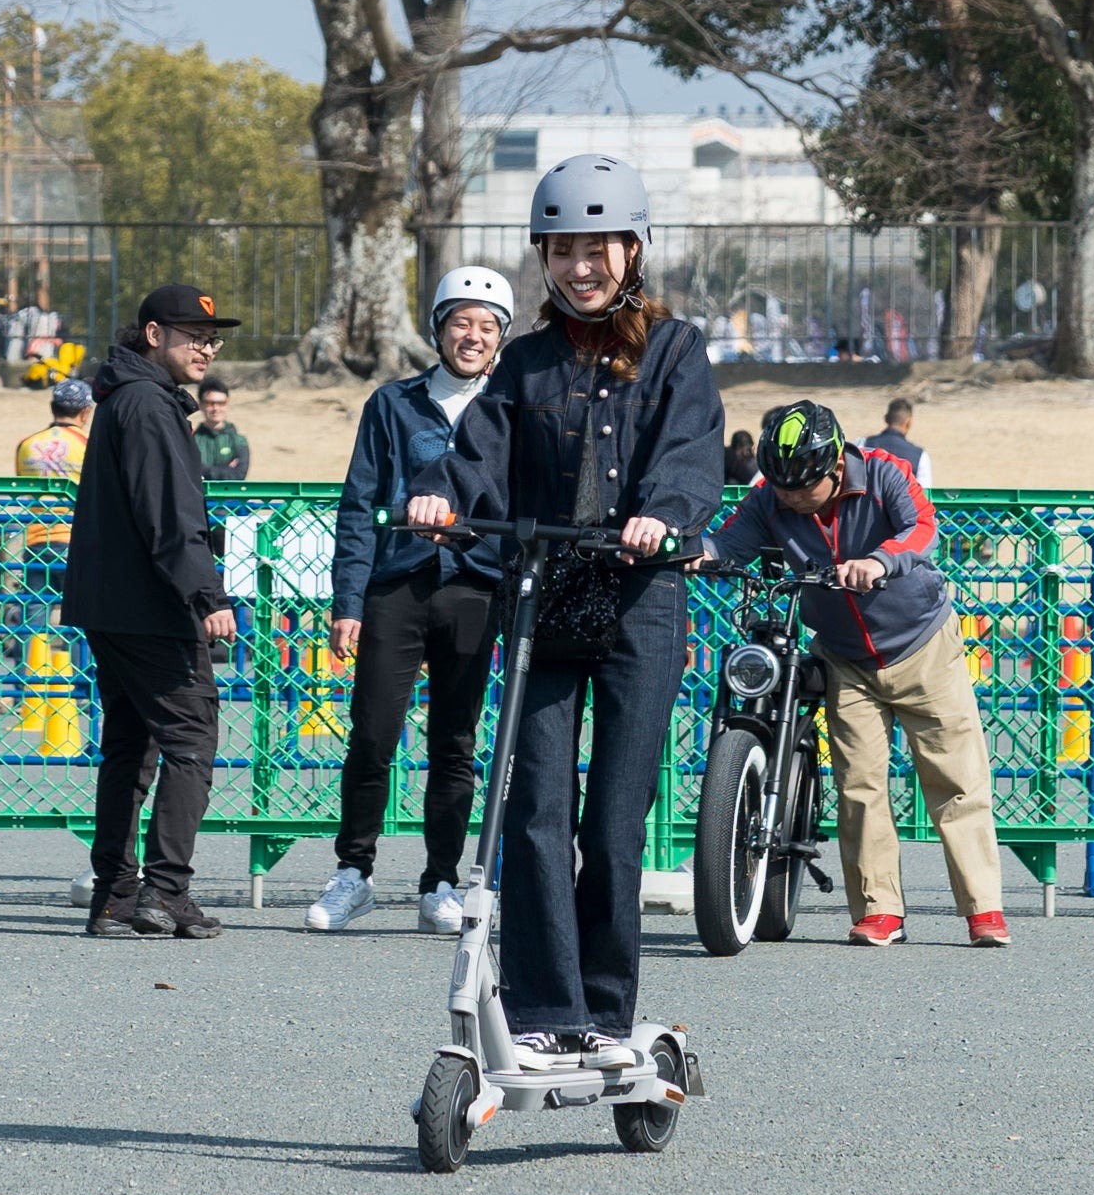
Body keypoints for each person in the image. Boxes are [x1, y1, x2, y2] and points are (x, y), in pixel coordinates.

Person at [407, 154, 724, 1070]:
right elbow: (474, 455)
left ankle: (610, 1005)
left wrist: (662, 515)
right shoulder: (522, 364)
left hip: (639, 600)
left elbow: (692, 452)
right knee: (536, 806)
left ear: (634, 249)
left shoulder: (674, 349)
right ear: (543, 256)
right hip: (545, 597)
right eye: (564, 249)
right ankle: (550, 1007)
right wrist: (438, 493)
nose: (582, 266)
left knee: (613, 819)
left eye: (599, 248)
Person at [700, 400, 1010, 948]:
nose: (790, 498)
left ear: (835, 467)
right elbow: (728, 543)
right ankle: (879, 909)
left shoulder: (887, 472)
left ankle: (983, 909)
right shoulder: (770, 495)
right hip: (846, 657)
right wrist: (690, 551)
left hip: (922, 644)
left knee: (956, 780)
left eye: (803, 487)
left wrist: (881, 560)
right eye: (781, 487)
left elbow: (923, 528)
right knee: (859, 785)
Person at [304, 267, 514, 935]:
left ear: (502, 338)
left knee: (455, 742)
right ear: (437, 329)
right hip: (396, 585)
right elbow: (358, 506)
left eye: (486, 326)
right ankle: (353, 873)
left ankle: (440, 882)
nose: (472, 336)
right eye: (461, 322)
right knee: (372, 734)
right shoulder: (392, 405)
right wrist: (348, 602)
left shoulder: (511, 408)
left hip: (474, 585)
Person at [63, 283, 239, 940]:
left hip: (113, 604)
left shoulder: (125, 395)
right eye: (192, 334)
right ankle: (164, 892)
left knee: (130, 748)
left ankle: (114, 894)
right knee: (192, 741)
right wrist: (206, 593)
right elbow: (170, 513)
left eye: (213, 337)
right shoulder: (147, 402)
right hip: (150, 606)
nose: (206, 346)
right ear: (153, 334)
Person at [14, 378, 93, 632]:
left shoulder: (26, 444)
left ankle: (26, 669)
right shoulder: (87, 444)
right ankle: (82, 670)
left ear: (52, 407)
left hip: (36, 537)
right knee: (84, 615)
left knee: (33, 615)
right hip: (74, 539)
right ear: (85, 412)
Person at [192, 376, 251, 558]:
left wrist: (206, 472)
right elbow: (192, 471)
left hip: (233, 515)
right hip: (199, 515)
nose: (215, 408)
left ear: (227, 404)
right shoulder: (191, 439)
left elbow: (239, 474)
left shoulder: (238, 440)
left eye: (220, 402)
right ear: (201, 405)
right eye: (210, 403)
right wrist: (225, 469)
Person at [857, 397, 933, 488]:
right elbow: (924, 492)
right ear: (908, 422)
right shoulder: (920, 455)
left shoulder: (862, 444)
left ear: (886, 418)